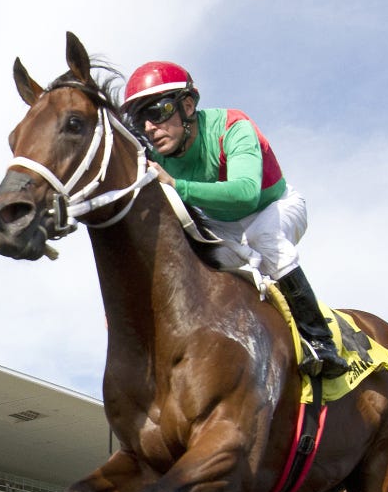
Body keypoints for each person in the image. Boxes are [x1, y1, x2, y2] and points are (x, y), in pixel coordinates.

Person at [122, 61, 348, 378]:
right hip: (222, 225)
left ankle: (320, 341)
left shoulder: (233, 126)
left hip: (274, 207)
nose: (149, 127)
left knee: (263, 238)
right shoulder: (155, 157)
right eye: (139, 119)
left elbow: (245, 194)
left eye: (157, 112)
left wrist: (176, 185)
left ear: (187, 106)